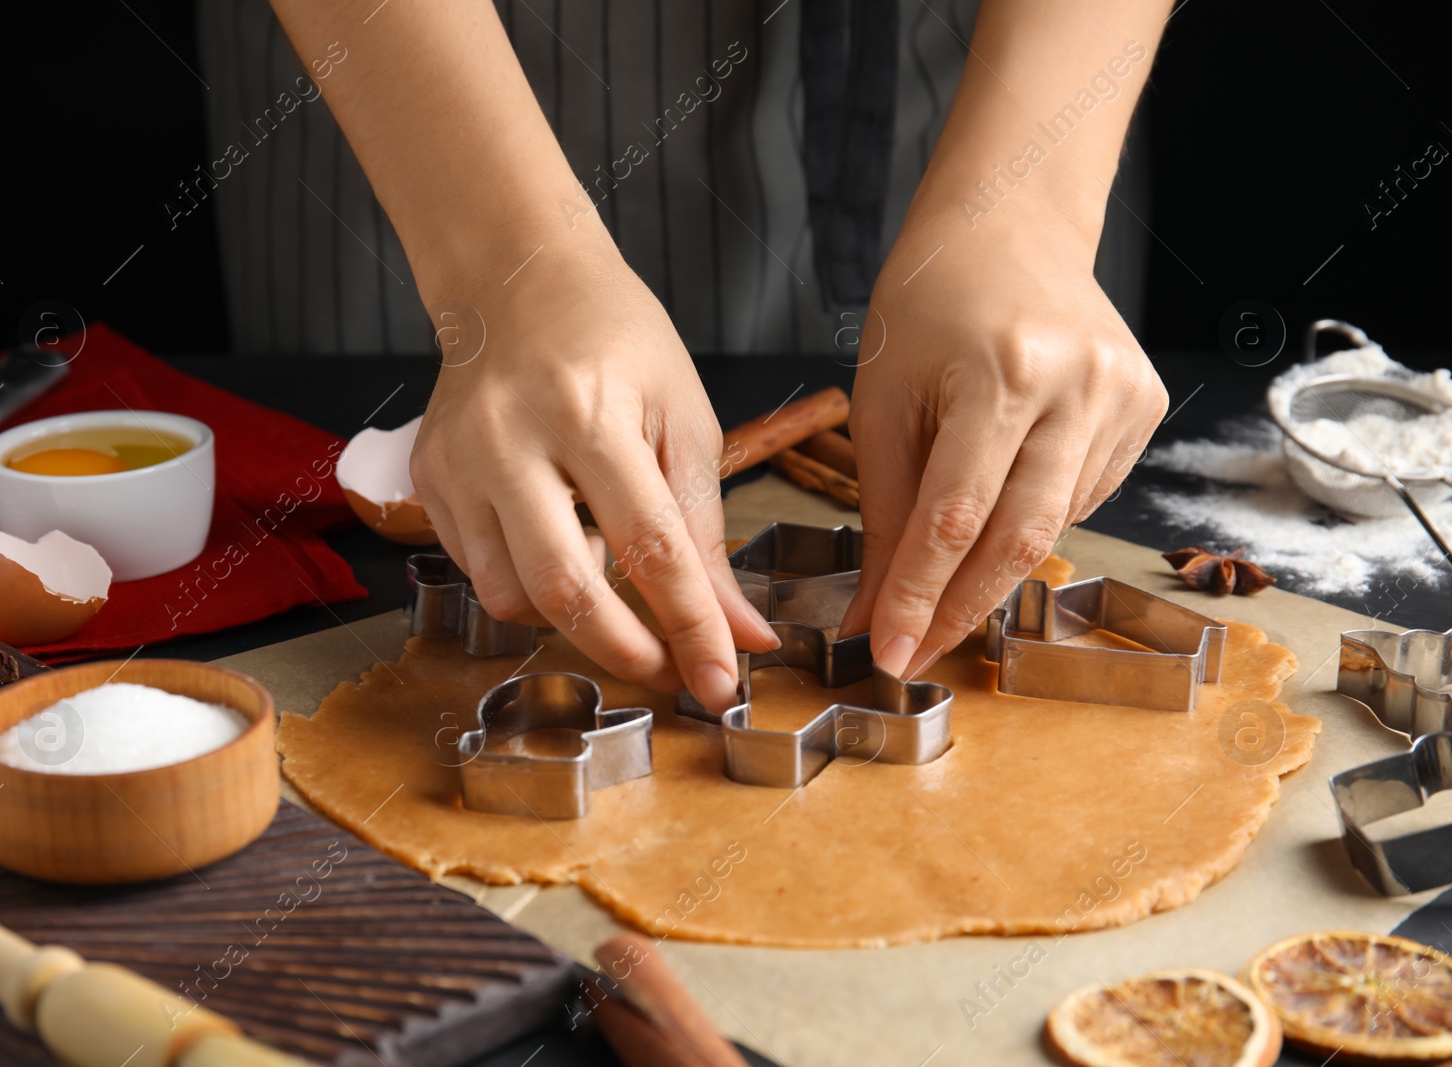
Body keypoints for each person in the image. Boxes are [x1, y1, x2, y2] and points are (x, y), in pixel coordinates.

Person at [220, 0, 1171, 714]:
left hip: (1008, 52)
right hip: (435, 63)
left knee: (1002, 426)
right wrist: (500, 262)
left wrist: (1029, 211)